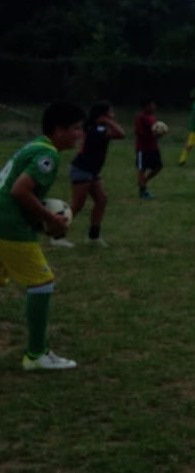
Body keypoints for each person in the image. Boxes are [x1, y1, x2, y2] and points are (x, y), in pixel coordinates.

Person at [0, 102, 85, 370]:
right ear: (58, 130)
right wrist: (50, 218)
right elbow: (19, 190)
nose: (79, 134)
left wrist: (39, 222)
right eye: (75, 128)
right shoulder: (47, 154)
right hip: (9, 226)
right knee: (42, 282)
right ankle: (36, 355)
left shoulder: (34, 145)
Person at [52, 101, 125, 248]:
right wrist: (108, 121)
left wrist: (106, 121)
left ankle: (93, 236)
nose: (113, 115)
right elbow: (120, 134)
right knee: (77, 205)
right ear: (102, 115)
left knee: (101, 200)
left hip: (91, 170)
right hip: (82, 169)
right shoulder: (97, 129)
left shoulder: (96, 127)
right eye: (110, 113)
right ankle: (57, 235)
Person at [134, 98, 163, 200]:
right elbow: (139, 132)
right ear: (146, 106)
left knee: (158, 167)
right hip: (142, 148)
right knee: (142, 169)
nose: (154, 107)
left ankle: (143, 182)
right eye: (152, 105)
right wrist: (153, 134)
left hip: (153, 147)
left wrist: (159, 133)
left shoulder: (152, 117)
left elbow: (154, 130)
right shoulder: (140, 117)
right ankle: (142, 191)